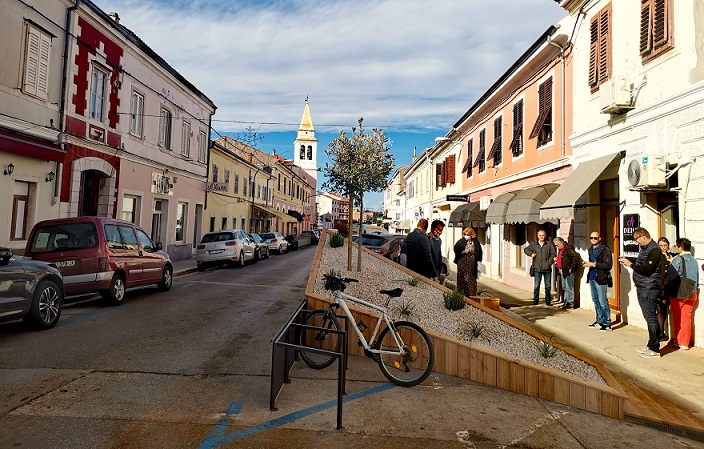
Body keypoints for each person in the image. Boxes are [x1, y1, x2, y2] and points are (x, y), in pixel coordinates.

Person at [619, 227, 663, 358]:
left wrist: (630, 265)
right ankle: (650, 345)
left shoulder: (654, 250)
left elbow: (647, 270)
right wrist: (628, 260)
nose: (636, 242)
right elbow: (642, 264)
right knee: (648, 317)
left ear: (643, 236)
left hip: (649, 288)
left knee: (651, 317)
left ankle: (655, 349)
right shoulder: (645, 249)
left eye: (636, 239)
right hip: (642, 286)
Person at [663, 238, 699, 350]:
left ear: (680, 247)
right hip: (692, 292)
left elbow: (671, 277)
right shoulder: (694, 260)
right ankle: (685, 343)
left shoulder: (677, 259)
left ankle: (677, 341)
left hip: (679, 292)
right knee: (687, 318)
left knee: (677, 317)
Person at [582, 232, 613, 330]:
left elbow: (608, 265)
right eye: (591, 238)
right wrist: (587, 264)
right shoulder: (590, 249)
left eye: (595, 238)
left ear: (599, 238)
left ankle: (607, 323)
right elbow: (591, 263)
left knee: (602, 301)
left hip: (601, 278)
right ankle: (599, 320)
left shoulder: (605, 249)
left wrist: (593, 264)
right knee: (596, 301)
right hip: (592, 277)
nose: (593, 240)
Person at [524, 230, 556, 306]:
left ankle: (548, 301)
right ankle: (536, 300)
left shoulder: (549, 244)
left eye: (543, 235)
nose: (541, 237)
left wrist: (548, 263)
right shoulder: (534, 244)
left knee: (548, 286)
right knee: (536, 285)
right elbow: (526, 250)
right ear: (537, 236)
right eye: (540, 235)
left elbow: (553, 254)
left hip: (547, 269)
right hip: (537, 268)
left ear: (545, 236)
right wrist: (531, 254)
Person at [454, 227, 482, 297]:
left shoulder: (475, 242)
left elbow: (479, 251)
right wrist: (463, 251)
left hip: (471, 264)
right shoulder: (461, 241)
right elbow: (456, 249)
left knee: (470, 279)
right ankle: (461, 294)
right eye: (465, 234)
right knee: (462, 278)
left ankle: (471, 295)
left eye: (467, 234)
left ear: (471, 234)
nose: (466, 236)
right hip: (462, 262)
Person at [553, 237, 581, 309]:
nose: (557, 247)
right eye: (555, 245)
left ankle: (570, 303)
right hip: (563, 270)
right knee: (564, 287)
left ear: (562, 243)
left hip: (567, 270)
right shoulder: (562, 249)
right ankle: (566, 302)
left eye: (557, 245)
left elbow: (576, 256)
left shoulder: (568, 248)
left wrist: (571, 267)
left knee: (569, 287)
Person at [657, 237, 675, 342]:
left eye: (665, 245)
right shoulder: (656, 257)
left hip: (668, 288)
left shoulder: (672, 257)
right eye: (661, 246)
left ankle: (662, 333)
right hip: (658, 287)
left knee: (663, 310)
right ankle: (660, 333)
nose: (663, 248)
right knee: (660, 309)